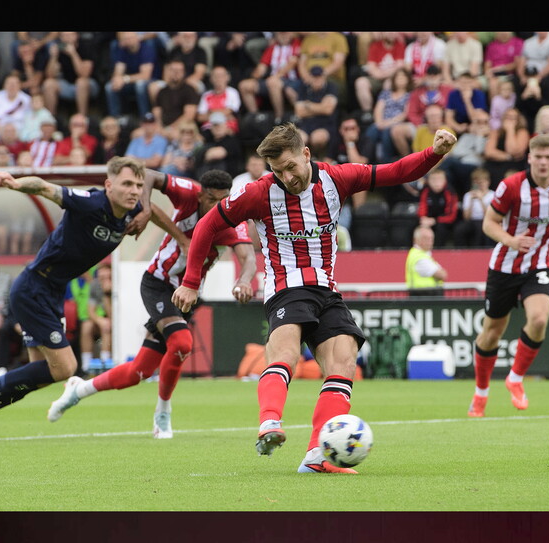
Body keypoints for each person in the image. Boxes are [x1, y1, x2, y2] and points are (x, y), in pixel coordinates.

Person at [172, 122, 456, 473]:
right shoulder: (259, 193)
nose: (287, 177)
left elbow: (395, 172)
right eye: (278, 171)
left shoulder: (337, 178)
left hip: (327, 289)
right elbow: (207, 225)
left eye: (291, 166)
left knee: (344, 360)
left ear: (306, 154)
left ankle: (317, 456)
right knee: (287, 353)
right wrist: (191, 282)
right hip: (286, 288)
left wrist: (434, 153)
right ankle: (270, 423)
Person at [0, 156, 153, 440]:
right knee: (66, 368)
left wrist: (158, 220)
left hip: (53, 291)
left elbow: (156, 207)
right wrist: (14, 183)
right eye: (127, 184)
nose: (134, 191)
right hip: (34, 287)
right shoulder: (91, 203)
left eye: (139, 186)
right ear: (109, 185)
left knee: (42, 373)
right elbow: (44, 187)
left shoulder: (135, 209)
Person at [47, 170, 257, 438]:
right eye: (212, 200)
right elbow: (147, 175)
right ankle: (163, 413)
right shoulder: (188, 192)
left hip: (186, 294)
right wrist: (147, 211)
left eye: (223, 200)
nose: (218, 206)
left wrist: (244, 280)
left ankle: (78, 390)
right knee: (182, 343)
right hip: (157, 283)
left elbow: (249, 257)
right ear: (201, 196)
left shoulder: (232, 218)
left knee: (139, 371)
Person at [467, 134, 549, 417]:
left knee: (539, 319)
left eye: (548, 157)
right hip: (504, 266)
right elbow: (489, 223)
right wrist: (511, 240)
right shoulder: (512, 186)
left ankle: (515, 379)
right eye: (538, 157)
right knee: (492, 333)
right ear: (529, 158)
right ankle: (480, 394)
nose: (543, 162)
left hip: (539, 263)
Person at [238, 31, 302, 123]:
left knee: (272, 83)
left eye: (286, 33)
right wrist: (255, 75)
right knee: (244, 85)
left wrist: (276, 76)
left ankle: (279, 117)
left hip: (291, 80)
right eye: (281, 33)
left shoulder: (297, 44)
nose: (283, 35)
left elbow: (293, 62)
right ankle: (256, 117)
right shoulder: (272, 47)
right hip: (272, 80)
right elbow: (262, 67)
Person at [42, 31, 99, 116]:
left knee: (81, 82)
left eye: (69, 35)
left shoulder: (86, 47)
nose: (67, 38)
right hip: (67, 84)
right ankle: (50, 119)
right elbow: (49, 75)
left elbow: (84, 74)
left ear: (76, 35)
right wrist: (53, 57)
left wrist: (73, 54)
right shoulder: (59, 49)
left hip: (89, 85)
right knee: (48, 84)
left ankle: (82, 118)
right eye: (64, 36)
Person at [105, 31, 157, 119]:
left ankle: (144, 117)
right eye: (126, 39)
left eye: (130, 38)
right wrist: (117, 79)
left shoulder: (146, 49)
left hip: (151, 81)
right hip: (131, 81)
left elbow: (145, 75)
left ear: (137, 38)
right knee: (110, 86)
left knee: (140, 85)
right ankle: (115, 119)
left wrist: (124, 79)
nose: (128, 41)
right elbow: (118, 70)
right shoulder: (123, 50)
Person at [417, 169, 460, 247]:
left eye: (439, 179)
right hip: (428, 219)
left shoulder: (450, 191)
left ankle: (438, 249)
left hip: (444, 220)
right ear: (428, 181)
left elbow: (451, 215)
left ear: (445, 180)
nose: (436, 183)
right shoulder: (426, 190)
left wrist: (435, 220)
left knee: (441, 228)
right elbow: (422, 207)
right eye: (433, 180)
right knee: (415, 225)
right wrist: (423, 218)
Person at [453, 167, 494, 247]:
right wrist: (471, 201)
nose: (480, 185)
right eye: (477, 183)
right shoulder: (468, 195)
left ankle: (477, 250)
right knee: (459, 229)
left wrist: (481, 200)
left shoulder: (492, 195)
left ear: (488, 182)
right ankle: (460, 250)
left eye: (481, 182)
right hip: (471, 221)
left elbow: (490, 216)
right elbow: (466, 217)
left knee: (479, 228)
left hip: (485, 220)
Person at [406, 225, 447, 295]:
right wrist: (441, 271)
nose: (430, 242)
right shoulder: (419, 257)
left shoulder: (423, 255)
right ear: (416, 239)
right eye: (426, 238)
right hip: (423, 296)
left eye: (431, 239)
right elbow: (442, 275)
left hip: (427, 296)